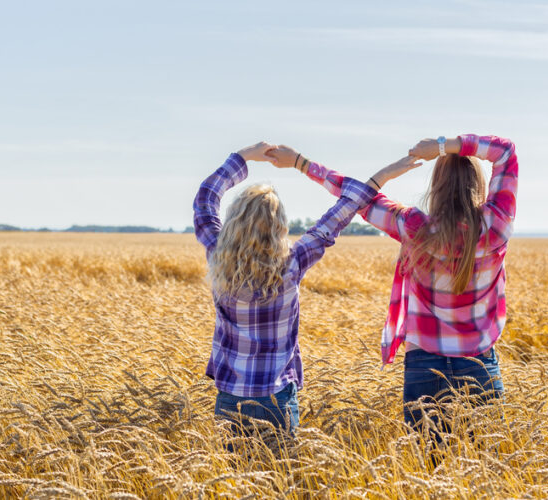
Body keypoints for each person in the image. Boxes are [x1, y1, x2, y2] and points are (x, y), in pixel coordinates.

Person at [268, 133, 518, 444]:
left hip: (424, 367)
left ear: (436, 187)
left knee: (429, 473)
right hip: (481, 365)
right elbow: (504, 151)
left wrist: (300, 163)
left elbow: (358, 196)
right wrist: (443, 146)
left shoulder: (413, 227)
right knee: (486, 474)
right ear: (479, 185)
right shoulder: (496, 227)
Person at [193, 141, 416, 440]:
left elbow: (205, 199)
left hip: (230, 398)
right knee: (281, 480)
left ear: (234, 223)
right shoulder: (292, 264)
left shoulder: (216, 252)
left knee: (234, 482)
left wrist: (243, 157)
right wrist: (380, 178)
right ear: (279, 227)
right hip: (278, 400)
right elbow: (338, 215)